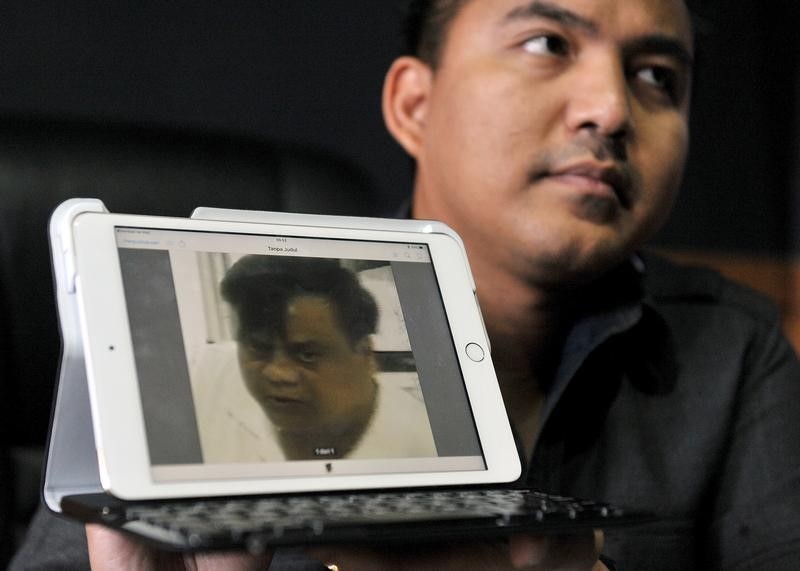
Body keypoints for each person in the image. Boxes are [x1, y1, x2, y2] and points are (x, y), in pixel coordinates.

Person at [11, 0, 800, 569]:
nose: (611, 109)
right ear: (413, 104)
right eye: (547, 42)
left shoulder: (736, 351)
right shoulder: (172, 376)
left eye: (658, 75)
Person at [196, 254, 436, 462]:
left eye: (307, 355)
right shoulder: (209, 376)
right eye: (259, 348)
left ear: (365, 354)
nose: (278, 374)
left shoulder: (428, 444)